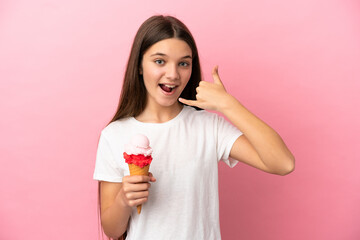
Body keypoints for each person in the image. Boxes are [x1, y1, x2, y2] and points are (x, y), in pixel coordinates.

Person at [93, 15, 295, 240]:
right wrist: (123, 199)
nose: (173, 74)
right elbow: (112, 230)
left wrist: (228, 104)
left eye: (183, 63)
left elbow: (283, 163)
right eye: (160, 61)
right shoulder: (114, 135)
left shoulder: (208, 127)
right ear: (139, 66)